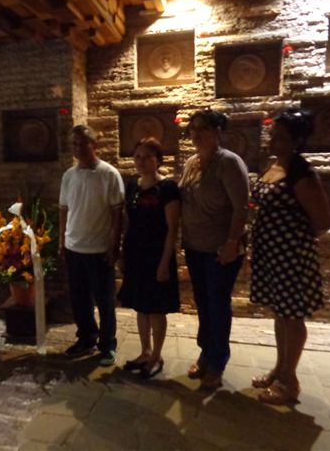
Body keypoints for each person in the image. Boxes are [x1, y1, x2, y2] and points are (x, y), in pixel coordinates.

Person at [250, 109, 330, 404]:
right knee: (280, 314)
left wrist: (291, 240)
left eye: (281, 138)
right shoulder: (274, 165)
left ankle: (290, 381)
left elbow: (322, 220)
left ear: (297, 141)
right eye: (273, 135)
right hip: (272, 255)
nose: (273, 142)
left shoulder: (301, 174)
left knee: (292, 317)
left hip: (291, 257)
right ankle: (280, 368)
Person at [179, 110, 249, 390]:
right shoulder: (192, 163)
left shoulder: (229, 163)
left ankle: (217, 362)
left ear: (218, 131)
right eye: (192, 129)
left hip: (221, 249)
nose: (196, 134)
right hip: (195, 246)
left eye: (203, 128)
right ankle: (206, 353)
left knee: (218, 305)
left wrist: (231, 243)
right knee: (203, 302)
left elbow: (241, 208)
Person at [59, 124, 124, 366]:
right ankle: (86, 338)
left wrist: (114, 245)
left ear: (94, 145)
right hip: (74, 247)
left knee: (105, 300)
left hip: (99, 249)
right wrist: (62, 241)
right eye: (75, 144)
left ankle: (107, 345)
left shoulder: (109, 174)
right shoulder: (69, 176)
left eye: (83, 143)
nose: (79, 148)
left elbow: (117, 213)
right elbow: (64, 210)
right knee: (79, 299)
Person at [119, 138, 180, 379]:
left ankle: (156, 355)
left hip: (157, 254)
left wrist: (165, 262)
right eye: (137, 157)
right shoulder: (132, 187)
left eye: (147, 157)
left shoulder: (167, 188)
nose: (141, 161)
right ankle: (144, 351)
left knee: (156, 308)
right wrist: (123, 254)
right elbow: (128, 223)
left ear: (158, 160)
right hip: (136, 253)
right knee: (140, 306)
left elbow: (172, 228)